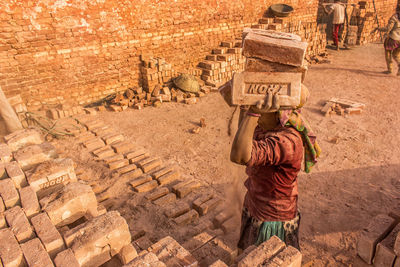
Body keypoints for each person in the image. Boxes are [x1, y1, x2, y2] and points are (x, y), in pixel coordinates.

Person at [230, 85, 321, 251]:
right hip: (256, 204)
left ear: (277, 112)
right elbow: (243, 134)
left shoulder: (286, 141)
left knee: (266, 258)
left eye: (261, 111)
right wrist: (246, 106)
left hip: (272, 218)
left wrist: (252, 113)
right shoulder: (267, 126)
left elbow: (239, 155)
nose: (257, 118)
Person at [383, 6, 400, 75]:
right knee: (396, 55)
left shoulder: (394, 18)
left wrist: (378, 29)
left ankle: (390, 69)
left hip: (393, 38)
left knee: (388, 53)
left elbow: (388, 28)